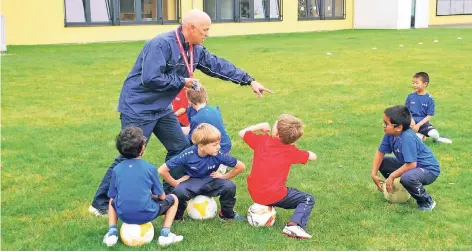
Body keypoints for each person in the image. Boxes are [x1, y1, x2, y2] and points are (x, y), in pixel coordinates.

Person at [89, 9, 272, 216]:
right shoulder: (161, 44)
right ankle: (101, 203)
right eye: (205, 30)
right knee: (130, 153)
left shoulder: (195, 49)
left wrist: (249, 80)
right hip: (138, 106)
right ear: (190, 28)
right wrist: (182, 81)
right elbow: (150, 78)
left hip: (161, 108)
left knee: (179, 146)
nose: (207, 34)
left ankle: (169, 192)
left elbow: (218, 65)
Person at [239, 114, 317, 239]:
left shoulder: (262, 141)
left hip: (254, 192)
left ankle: (267, 206)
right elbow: (313, 156)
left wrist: (260, 126)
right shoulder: (291, 151)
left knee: (274, 187)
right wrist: (308, 152)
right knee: (308, 199)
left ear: (276, 131)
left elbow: (242, 132)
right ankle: (294, 226)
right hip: (275, 195)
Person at [102, 126, 183, 247]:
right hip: (147, 213)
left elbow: (112, 195)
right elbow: (161, 197)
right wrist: (152, 196)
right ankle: (165, 234)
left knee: (112, 201)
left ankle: (112, 232)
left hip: (123, 214)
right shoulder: (150, 168)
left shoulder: (117, 169)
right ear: (143, 148)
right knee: (174, 199)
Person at [158, 123, 246, 221]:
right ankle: (177, 217)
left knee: (230, 186)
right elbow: (162, 170)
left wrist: (224, 177)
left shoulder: (218, 154)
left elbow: (241, 166)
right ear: (201, 146)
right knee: (179, 191)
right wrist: (175, 183)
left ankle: (227, 215)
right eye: (215, 144)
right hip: (192, 181)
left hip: (210, 180)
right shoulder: (188, 154)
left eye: (218, 143)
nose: (219, 147)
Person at [371, 105, 440, 211]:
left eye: (386, 123)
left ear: (398, 127)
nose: (383, 125)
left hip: (429, 170)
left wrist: (392, 176)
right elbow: (380, 153)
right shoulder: (390, 133)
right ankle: (400, 188)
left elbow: (412, 164)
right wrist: (374, 174)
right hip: (412, 166)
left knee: (407, 178)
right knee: (383, 163)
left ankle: (427, 202)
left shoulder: (407, 138)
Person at [406, 72, 452, 143]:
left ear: (425, 84)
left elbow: (429, 115)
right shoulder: (410, 96)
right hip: (412, 123)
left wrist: (419, 125)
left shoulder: (429, 99)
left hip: (423, 123)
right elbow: (406, 111)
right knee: (412, 138)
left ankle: (438, 139)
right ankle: (420, 135)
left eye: (417, 83)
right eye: (413, 83)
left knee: (434, 134)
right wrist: (411, 120)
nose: (414, 85)